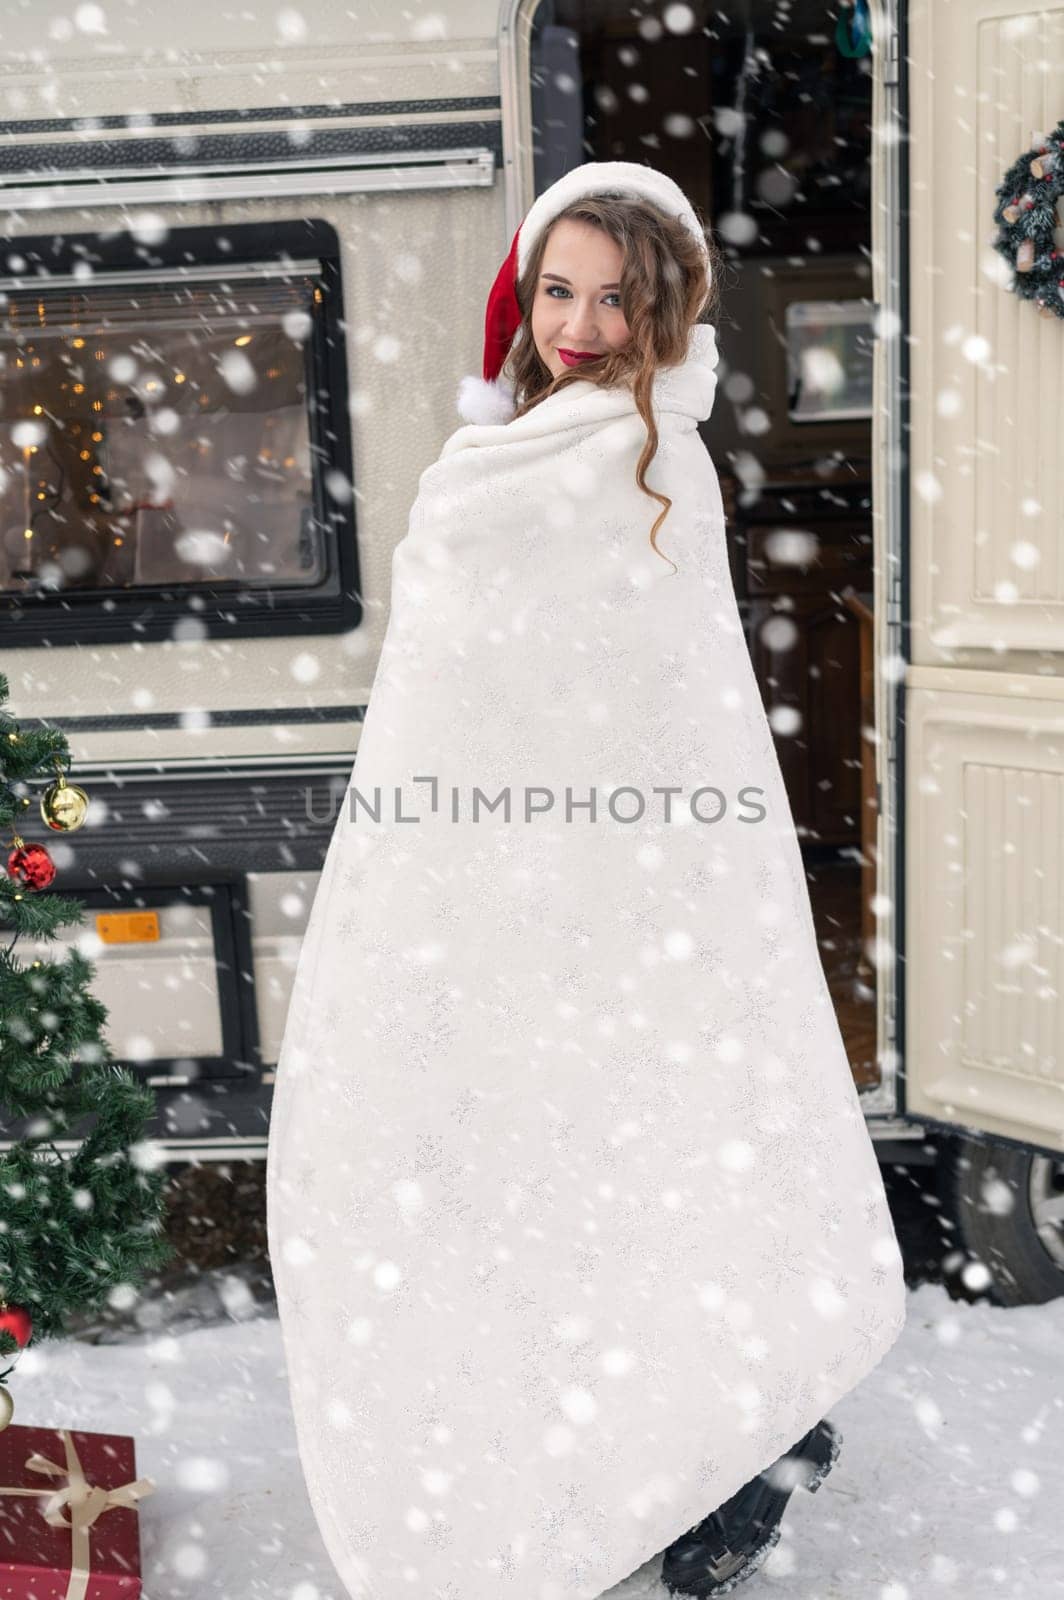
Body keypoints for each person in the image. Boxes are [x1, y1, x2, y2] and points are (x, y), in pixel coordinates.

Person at [266, 160, 907, 1600]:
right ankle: (627, 1451)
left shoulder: (652, 460)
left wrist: (623, 871)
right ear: (523, 294)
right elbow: (446, 693)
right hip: (494, 886)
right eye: (558, 289)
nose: (579, 320)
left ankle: (732, 1451)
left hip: (630, 901)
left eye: (613, 297)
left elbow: (670, 707)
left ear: (657, 306)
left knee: (654, 1163)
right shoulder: (493, 452)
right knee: (537, 1181)